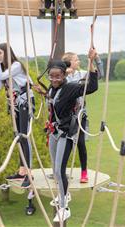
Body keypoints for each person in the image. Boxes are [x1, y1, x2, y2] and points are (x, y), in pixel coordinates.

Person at [46, 48, 99, 222]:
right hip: (54, 132)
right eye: (51, 76)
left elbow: (91, 87)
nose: (54, 79)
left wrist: (91, 62)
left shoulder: (69, 87)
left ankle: (64, 207)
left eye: (58, 76)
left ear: (64, 76)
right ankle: (64, 196)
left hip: (66, 134)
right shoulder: (51, 89)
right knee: (55, 170)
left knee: (60, 171)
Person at [0, 43, 35, 188]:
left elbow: (1, 76)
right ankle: (22, 170)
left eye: (0, 53)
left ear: (6, 54)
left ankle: (29, 172)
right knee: (18, 137)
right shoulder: (3, 68)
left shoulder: (16, 66)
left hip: (25, 100)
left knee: (24, 136)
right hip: (15, 103)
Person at [61, 51, 104, 183]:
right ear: (69, 63)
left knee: (80, 143)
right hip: (65, 117)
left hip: (80, 114)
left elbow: (99, 75)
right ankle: (60, 172)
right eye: (76, 60)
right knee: (64, 144)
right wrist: (65, 73)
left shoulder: (82, 74)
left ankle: (84, 172)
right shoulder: (63, 77)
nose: (79, 62)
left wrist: (95, 59)